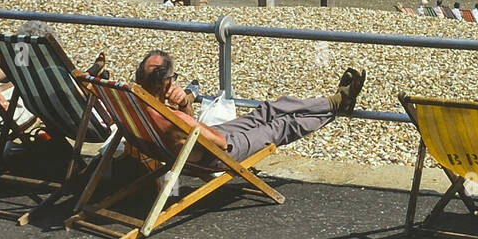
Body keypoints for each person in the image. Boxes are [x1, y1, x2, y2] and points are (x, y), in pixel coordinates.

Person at [133, 50, 365, 166]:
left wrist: (185, 102)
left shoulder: (134, 103)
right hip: (219, 150)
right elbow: (216, 141)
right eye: (173, 77)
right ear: (167, 83)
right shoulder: (169, 117)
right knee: (281, 125)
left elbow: (187, 133)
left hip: (200, 141)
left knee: (267, 110)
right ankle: (338, 105)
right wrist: (228, 137)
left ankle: (334, 102)